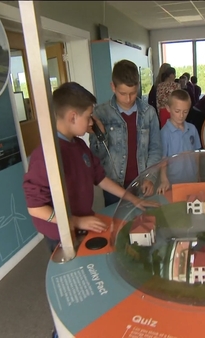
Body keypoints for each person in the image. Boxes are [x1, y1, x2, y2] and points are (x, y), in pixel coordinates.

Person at [22, 82, 159, 254]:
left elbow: (100, 178)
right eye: (88, 116)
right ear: (72, 117)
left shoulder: (78, 144)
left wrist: (132, 198)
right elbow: (35, 207)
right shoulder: (45, 155)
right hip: (61, 234)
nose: (91, 122)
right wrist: (76, 221)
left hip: (83, 223)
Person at [90, 60, 163, 207]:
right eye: (123, 93)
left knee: (143, 223)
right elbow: (96, 155)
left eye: (133, 93)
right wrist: (101, 135)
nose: (128, 99)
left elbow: (155, 148)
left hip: (142, 182)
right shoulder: (101, 113)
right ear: (113, 87)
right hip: (114, 184)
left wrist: (150, 177)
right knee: (118, 224)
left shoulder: (149, 113)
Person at [157, 90, 202, 194]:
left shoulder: (192, 129)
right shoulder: (164, 133)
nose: (181, 115)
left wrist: (198, 174)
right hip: (173, 182)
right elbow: (163, 159)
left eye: (185, 111)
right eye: (177, 111)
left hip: (192, 179)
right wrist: (164, 179)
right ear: (168, 108)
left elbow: (197, 154)